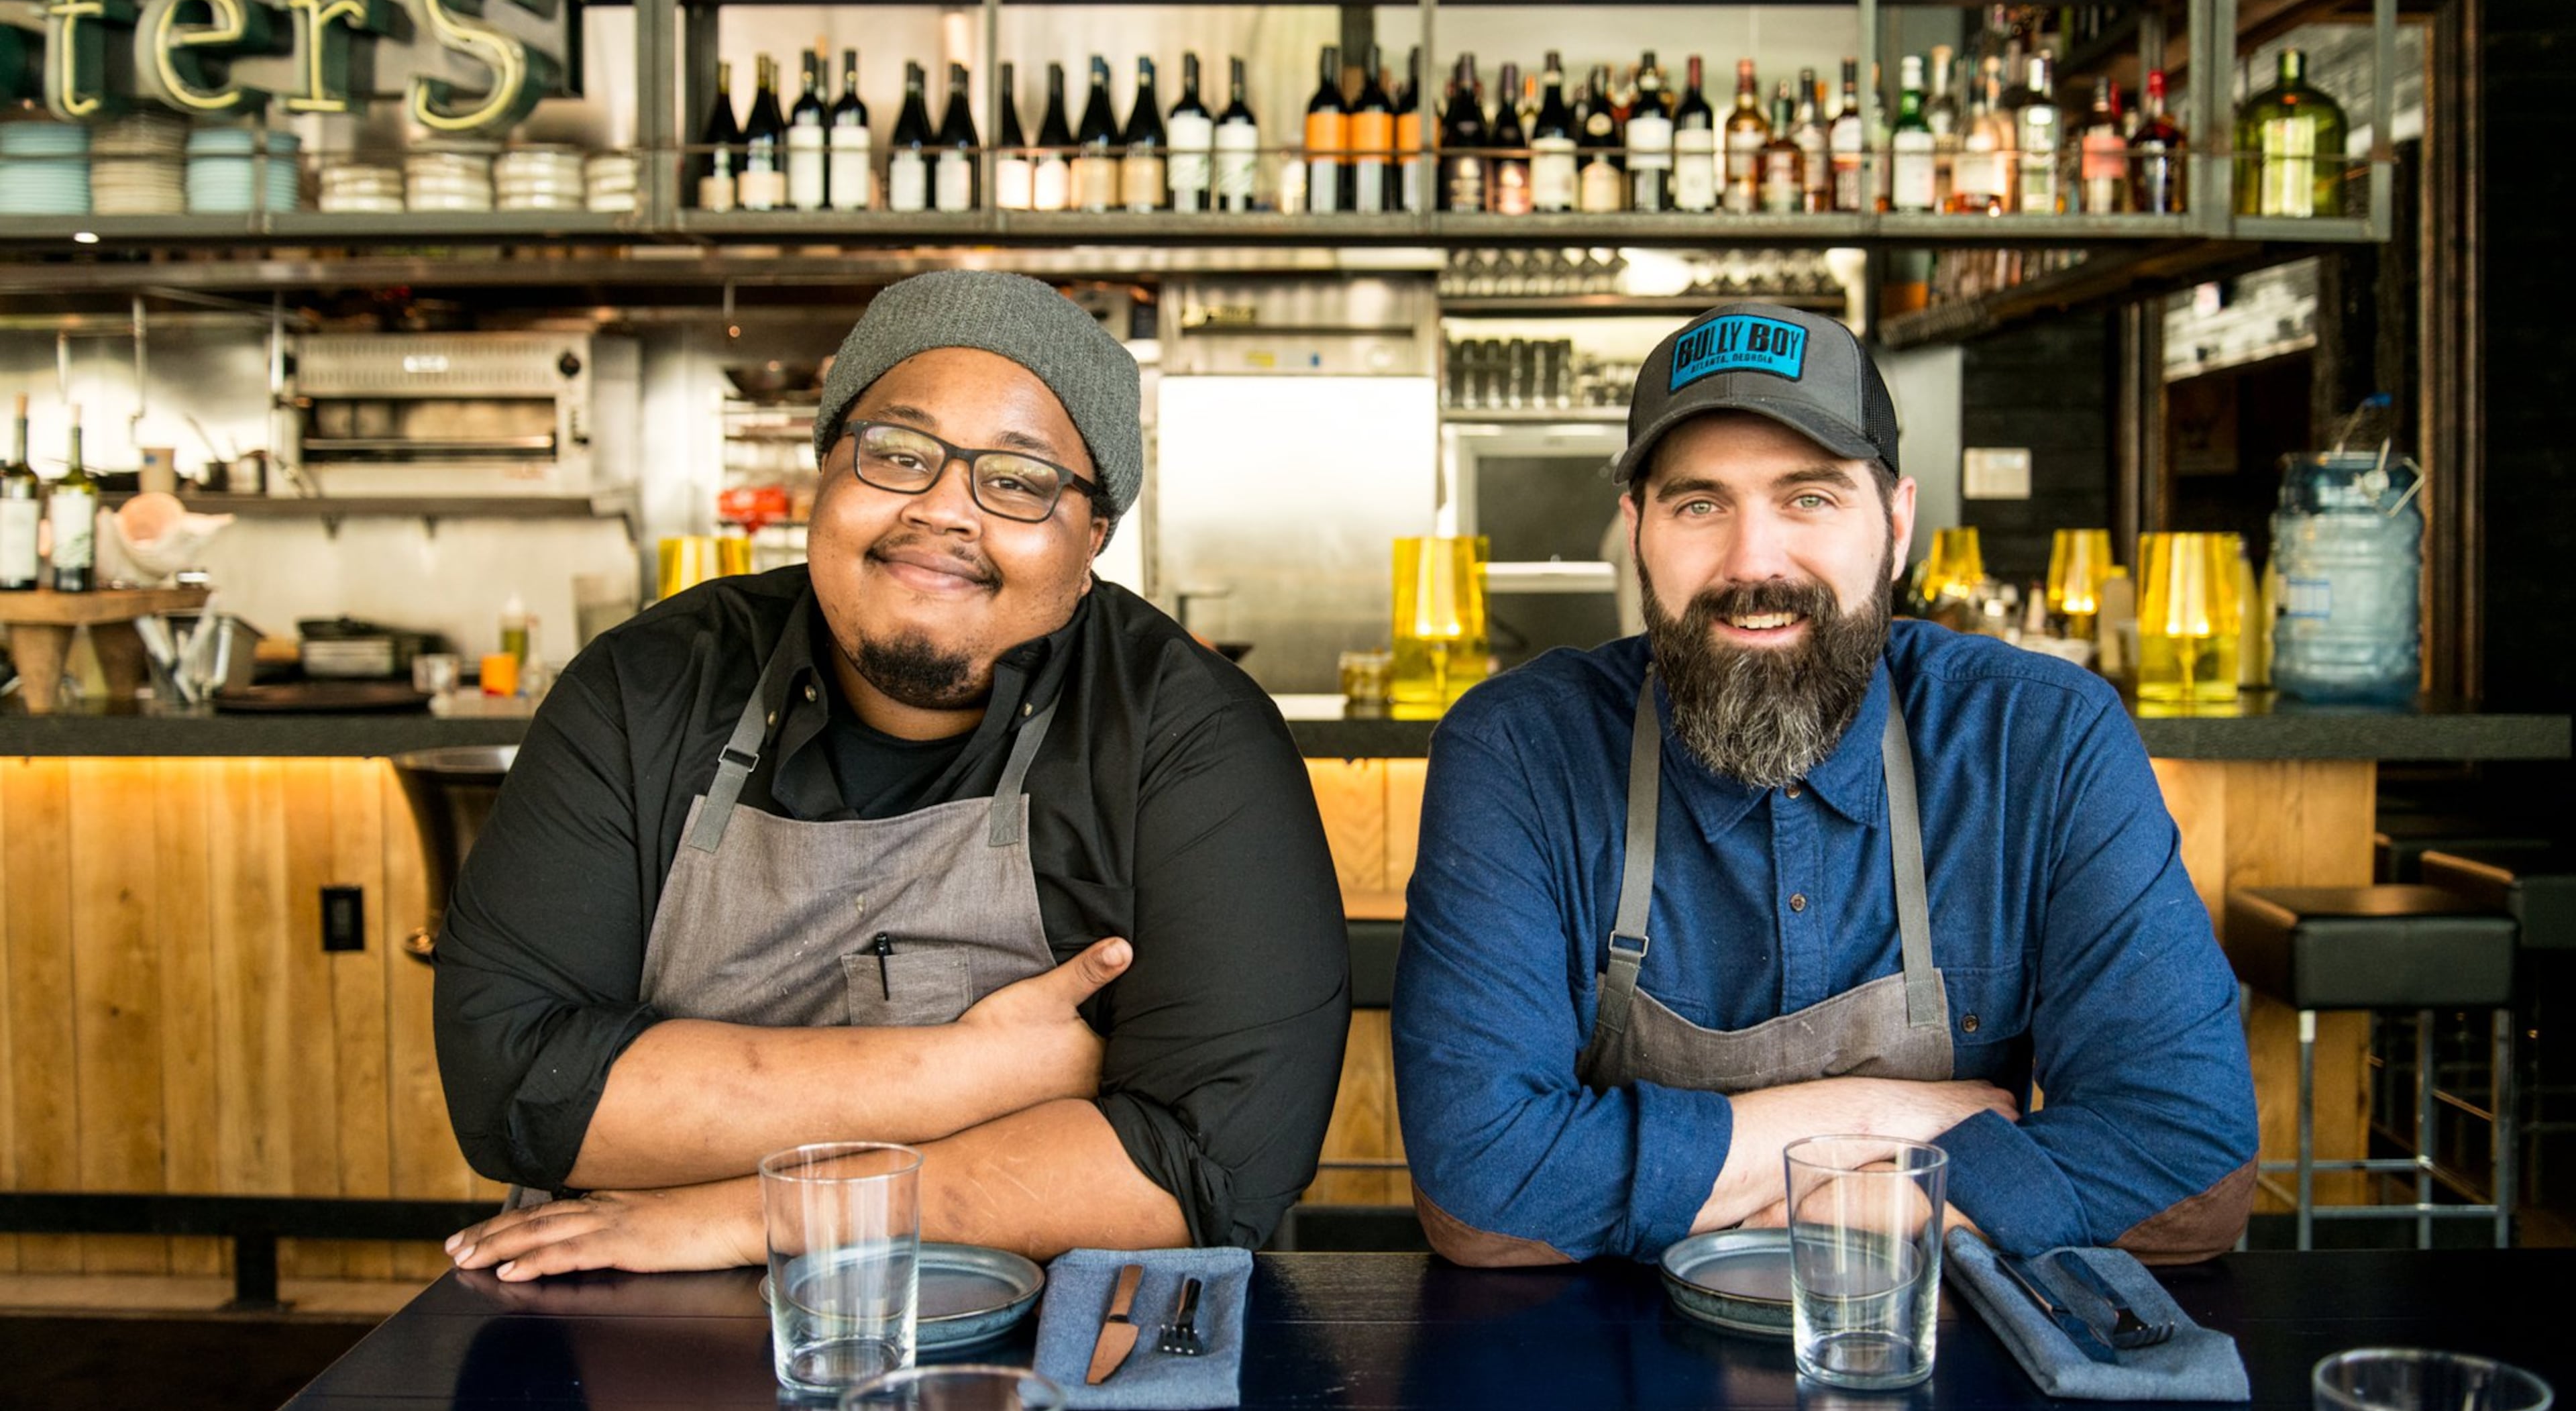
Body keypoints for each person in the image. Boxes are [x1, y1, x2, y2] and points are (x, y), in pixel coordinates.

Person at [434, 270, 1350, 1279]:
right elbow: (514, 1085)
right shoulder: (646, 688)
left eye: (1017, 480)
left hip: (1033, 1352)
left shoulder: (1188, 739)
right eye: (900, 454)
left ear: (1093, 537)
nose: (943, 511)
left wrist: (746, 1216)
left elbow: (1207, 1165)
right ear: (827, 466)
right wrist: (973, 1073)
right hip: (618, 1329)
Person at [1393, 302, 2257, 1266]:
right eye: (1699, 505)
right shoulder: (1519, 752)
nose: (1753, 562)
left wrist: (1855, 1201)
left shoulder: (2042, 741)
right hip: (1603, 1355)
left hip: (1936, 1344)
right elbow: (1482, 1193)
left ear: (1896, 523)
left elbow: (2189, 1170)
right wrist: (1878, 1118)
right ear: (1637, 531)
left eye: (1809, 498)